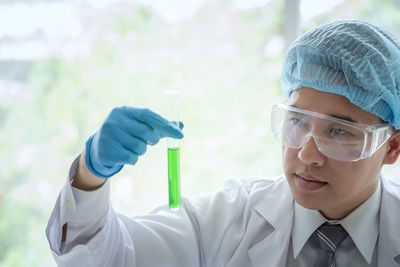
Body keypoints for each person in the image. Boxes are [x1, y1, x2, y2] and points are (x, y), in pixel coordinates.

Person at [46, 20, 400, 267]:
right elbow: (107, 261)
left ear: (392, 148)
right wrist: (91, 173)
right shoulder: (228, 220)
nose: (306, 154)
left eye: (338, 131)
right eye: (297, 121)